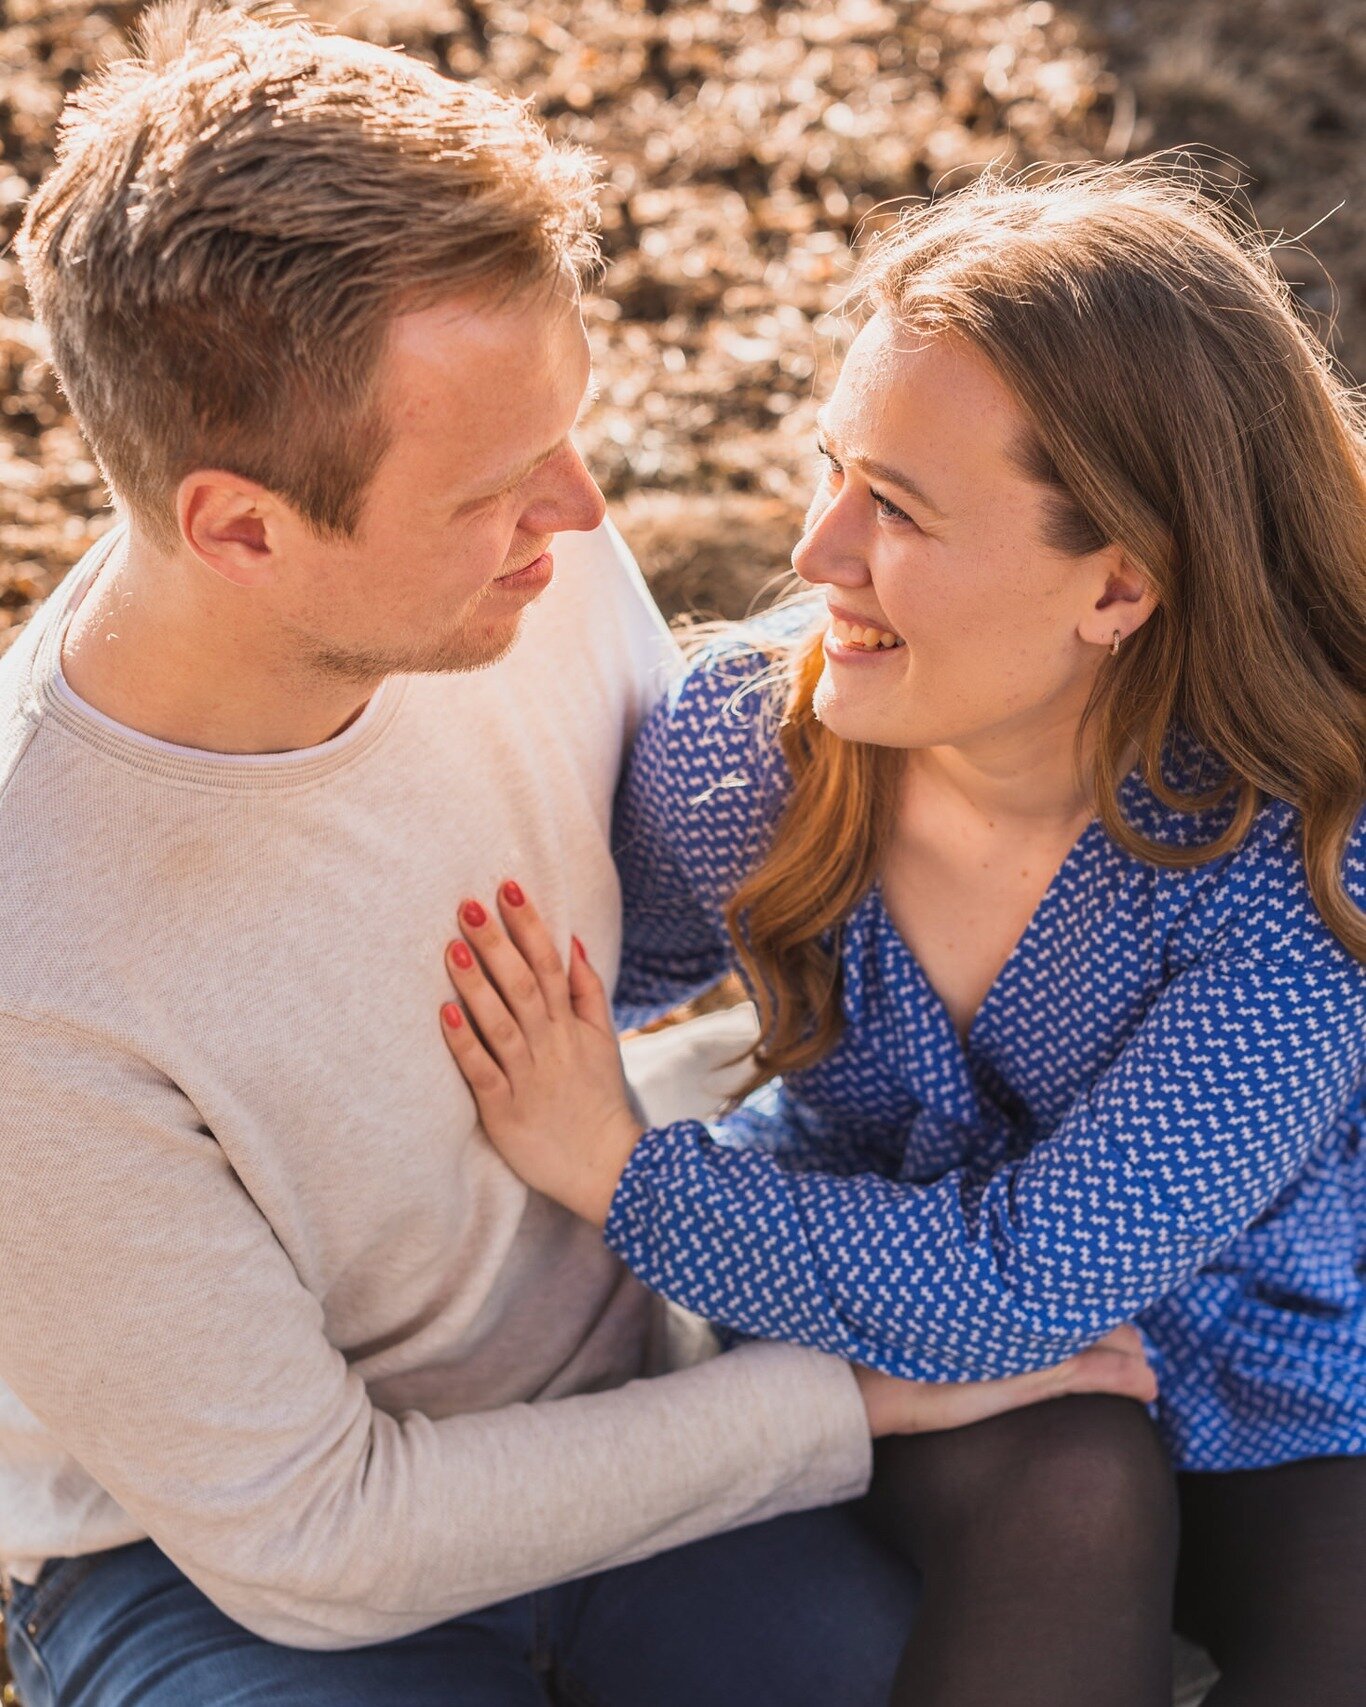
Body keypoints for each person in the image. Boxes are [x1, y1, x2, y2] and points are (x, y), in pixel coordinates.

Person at [0, 7, 1161, 1705]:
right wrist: (853, 1397)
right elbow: (324, 1535)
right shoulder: (42, 971)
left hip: (635, 1424)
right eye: (494, 482)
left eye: (565, 430)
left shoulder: (508, 578)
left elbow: (754, 876)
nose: (576, 512)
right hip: (222, 1579)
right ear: (239, 528)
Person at [440, 164, 1366, 1707]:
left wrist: (618, 1171)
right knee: (1071, 1487)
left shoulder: (1299, 886)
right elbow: (595, 972)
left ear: (1118, 583)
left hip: (1281, 1373)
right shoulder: (747, 759)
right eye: (834, 471)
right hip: (885, 1336)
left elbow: (1019, 1277)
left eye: (901, 510)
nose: (815, 554)